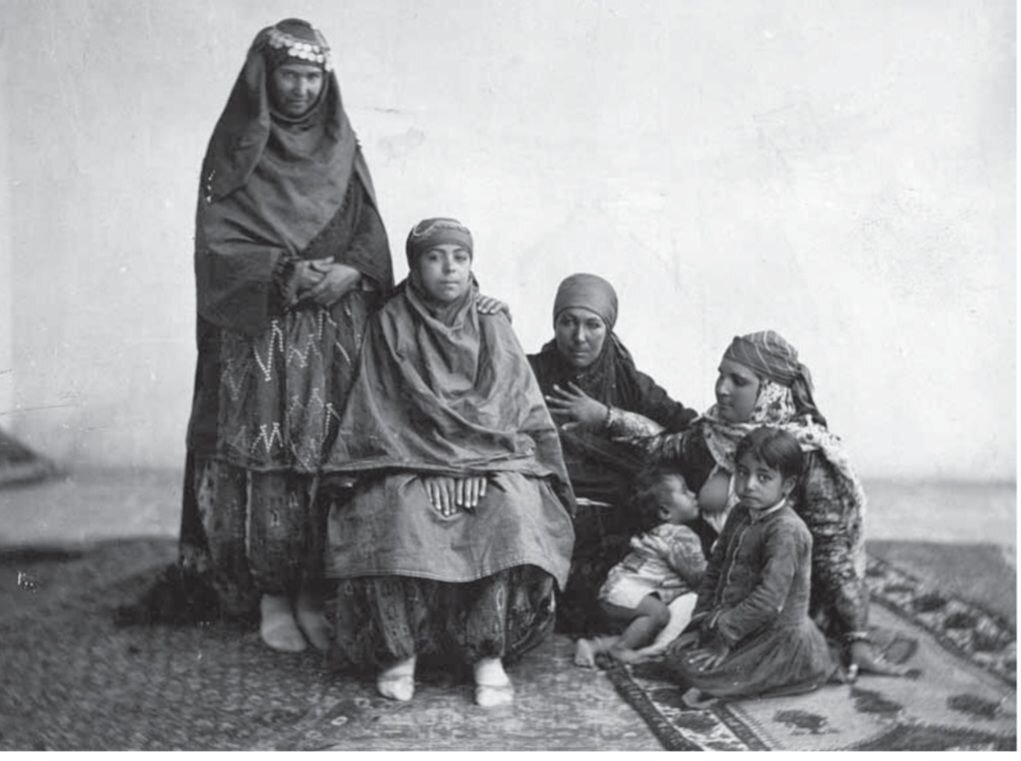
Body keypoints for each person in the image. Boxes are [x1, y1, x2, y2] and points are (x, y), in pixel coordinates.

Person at [175, 18, 395, 653]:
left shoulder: (343, 144)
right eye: (290, 75)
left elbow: (370, 226)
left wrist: (353, 269)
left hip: (333, 332)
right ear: (265, 79)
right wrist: (282, 272)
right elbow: (216, 246)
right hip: (262, 333)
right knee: (267, 462)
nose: (301, 88)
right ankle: (271, 594)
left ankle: (312, 593)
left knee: (324, 458)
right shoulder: (236, 146)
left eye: (312, 77)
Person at [319, 218, 575, 707]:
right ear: (415, 267)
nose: (449, 269)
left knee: (511, 510)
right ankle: (400, 652)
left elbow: (511, 406)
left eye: (460, 257)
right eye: (434, 258)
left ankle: (488, 654)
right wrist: (430, 466)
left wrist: (468, 465)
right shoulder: (390, 321)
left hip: (490, 458)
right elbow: (380, 408)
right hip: (407, 456)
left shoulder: (492, 320)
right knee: (396, 512)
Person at [604, 330, 908, 678]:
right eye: (721, 375)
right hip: (721, 579)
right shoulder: (713, 433)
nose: (722, 388)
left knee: (702, 661)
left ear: (770, 391)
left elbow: (832, 556)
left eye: (738, 381)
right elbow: (659, 446)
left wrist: (857, 636)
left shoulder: (806, 454)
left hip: (775, 593)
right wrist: (607, 417)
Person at [528, 273, 699, 634]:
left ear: (608, 329)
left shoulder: (629, 382)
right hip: (546, 504)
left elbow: (692, 432)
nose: (579, 336)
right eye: (568, 322)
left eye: (593, 325)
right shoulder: (528, 373)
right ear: (554, 323)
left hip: (619, 513)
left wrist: (607, 417)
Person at [667, 427, 838, 702]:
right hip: (740, 622)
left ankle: (785, 674)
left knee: (697, 672)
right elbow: (716, 568)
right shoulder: (740, 512)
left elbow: (770, 599)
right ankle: (729, 670)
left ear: (788, 485)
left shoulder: (786, 530)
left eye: (764, 477)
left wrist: (724, 636)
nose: (748, 485)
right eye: (742, 472)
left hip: (775, 633)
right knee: (676, 654)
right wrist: (703, 619)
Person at [574, 466, 706, 667]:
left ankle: (593, 646)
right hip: (628, 592)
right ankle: (621, 650)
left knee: (644, 631)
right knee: (659, 615)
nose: (694, 494)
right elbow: (698, 575)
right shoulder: (681, 536)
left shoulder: (657, 533)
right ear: (664, 511)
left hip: (615, 590)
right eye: (685, 491)